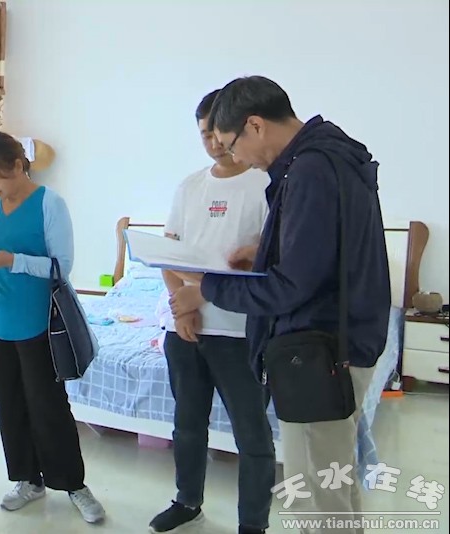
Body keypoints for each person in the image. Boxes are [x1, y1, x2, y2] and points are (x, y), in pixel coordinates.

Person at [169, 76, 391, 534]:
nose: (237, 157)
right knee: (335, 480)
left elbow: (291, 287)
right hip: (344, 339)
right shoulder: (332, 154)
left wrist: (209, 288)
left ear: (255, 125)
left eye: (232, 145)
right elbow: (320, 255)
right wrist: (265, 252)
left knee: (316, 491)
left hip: (318, 351)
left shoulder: (310, 170)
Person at [0, 131, 106, 525]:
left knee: (48, 406)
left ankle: (74, 485)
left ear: (19, 166)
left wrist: (14, 261)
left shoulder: (50, 203)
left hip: (38, 321)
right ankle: (28, 480)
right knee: (10, 405)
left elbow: (61, 267)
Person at [150, 90, 275, 534]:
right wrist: (182, 309)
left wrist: (199, 297)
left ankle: (253, 524)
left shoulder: (265, 185)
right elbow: (167, 255)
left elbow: (265, 263)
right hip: (185, 331)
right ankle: (187, 502)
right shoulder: (190, 187)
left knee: (252, 435)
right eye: (204, 135)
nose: (214, 143)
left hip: (240, 332)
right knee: (187, 424)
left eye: (218, 133)